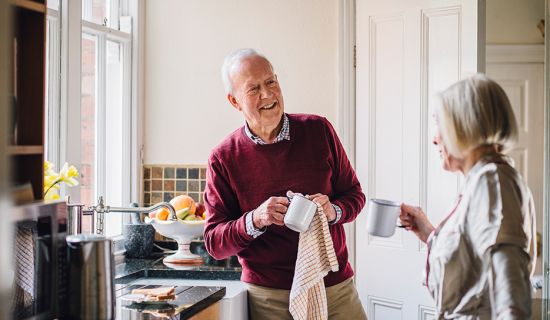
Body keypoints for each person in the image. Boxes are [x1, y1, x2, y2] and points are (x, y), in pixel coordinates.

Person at [203, 48, 367, 320]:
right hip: (269, 296)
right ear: (235, 101)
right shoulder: (223, 158)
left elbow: (354, 195)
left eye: (271, 82)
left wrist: (333, 211)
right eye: (253, 89)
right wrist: (255, 219)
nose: (267, 94)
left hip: (334, 286)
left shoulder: (319, 130)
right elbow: (214, 243)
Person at [399, 74, 536, 319]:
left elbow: (508, 285)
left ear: (465, 125)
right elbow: (475, 267)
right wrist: (429, 233)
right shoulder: (482, 180)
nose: (434, 138)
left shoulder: (492, 181)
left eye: (439, 123)